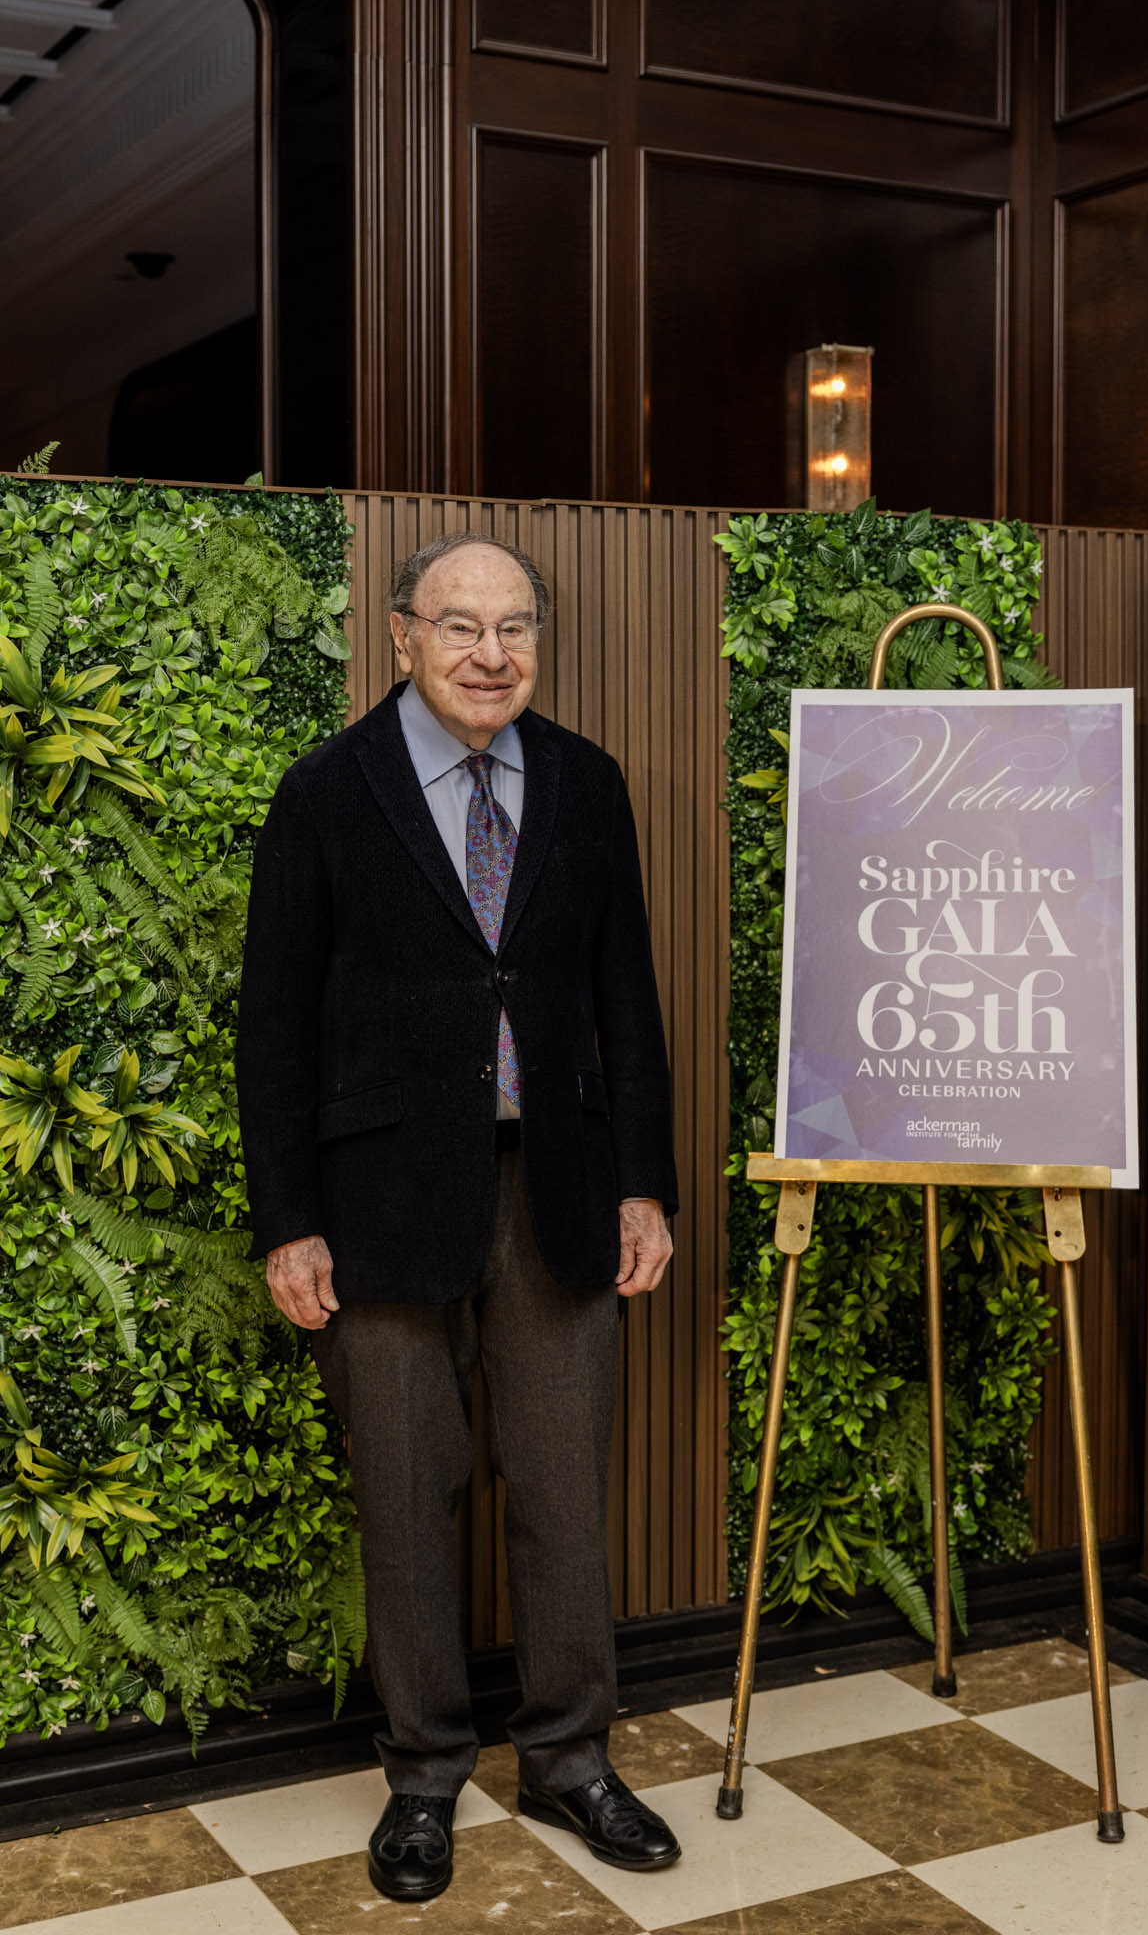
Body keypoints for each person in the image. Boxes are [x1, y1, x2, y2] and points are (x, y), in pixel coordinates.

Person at [236, 531, 682, 1903]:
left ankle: (570, 1759)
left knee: (560, 1490)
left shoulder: (588, 783)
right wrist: (288, 1219)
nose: (491, 654)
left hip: (559, 1191)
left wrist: (643, 1182)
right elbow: (273, 1027)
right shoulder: (326, 793)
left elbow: (626, 1000)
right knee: (406, 1494)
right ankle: (423, 1776)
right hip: (377, 1205)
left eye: (514, 627)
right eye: (460, 626)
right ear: (402, 637)